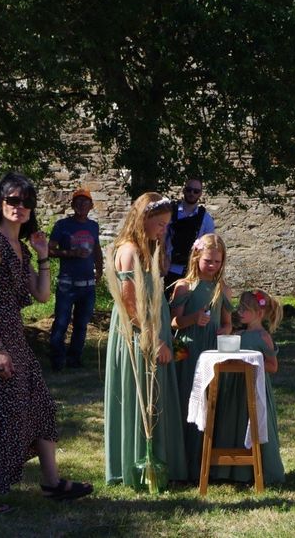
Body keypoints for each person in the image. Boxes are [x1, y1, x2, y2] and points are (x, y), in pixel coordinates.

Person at [0, 172, 93, 514]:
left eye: (26, 202)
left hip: (14, 337)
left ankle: (51, 483)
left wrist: (44, 254)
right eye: (13, 200)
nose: (20, 206)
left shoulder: (20, 247)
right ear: (1, 203)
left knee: (41, 405)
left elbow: (43, 294)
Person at [104, 192, 188, 485]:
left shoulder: (147, 248)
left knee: (156, 396)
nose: (164, 229)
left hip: (155, 329)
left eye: (166, 224)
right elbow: (131, 306)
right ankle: (139, 466)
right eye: (160, 223)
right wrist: (155, 340)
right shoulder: (128, 250)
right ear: (144, 219)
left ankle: (158, 461)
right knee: (142, 394)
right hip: (141, 334)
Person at [169, 233, 232, 480]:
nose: (213, 266)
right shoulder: (184, 286)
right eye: (208, 261)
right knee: (188, 401)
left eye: (217, 262)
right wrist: (193, 319)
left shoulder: (222, 289)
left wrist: (224, 331)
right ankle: (184, 464)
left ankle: (207, 463)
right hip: (189, 349)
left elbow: (228, 324)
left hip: (212, 350)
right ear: (196, 257)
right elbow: (174, 322)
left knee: (211, 402)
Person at [232, 289, 285, 484]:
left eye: (244, 309)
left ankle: (265, 469)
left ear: (259, 314)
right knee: (237, 422)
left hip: (255, 388)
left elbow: (273, 366)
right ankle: (238, 471)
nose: (239, 312)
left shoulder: (263, 337)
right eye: (239, 307)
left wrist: (256, 361)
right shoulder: (239, 333)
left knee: (255, 424)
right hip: (237, 388)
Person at [47, 188, 104, 370]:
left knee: (81, 324)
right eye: (78, 202)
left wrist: (100, 269)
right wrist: (71, 253)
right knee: (61, 323)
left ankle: (74, 359)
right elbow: (49, 250)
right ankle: (57, 360)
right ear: (72, 205)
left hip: (87, 284)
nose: (81, 205)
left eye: (85, 202)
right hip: (67, 284)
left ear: (91, 206)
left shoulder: (93, 226)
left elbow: (96, 249)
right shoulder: (62, 225)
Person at [164, 178, 215, 295]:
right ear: (184, 190)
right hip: (170, 268)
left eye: (196, 191)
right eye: (189, 190)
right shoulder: (170, 213)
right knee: (168, 305)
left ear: (200, 193)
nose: (192, 193)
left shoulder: (206, 219)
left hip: (193, 270)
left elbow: (209, 246)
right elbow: (162, 237)